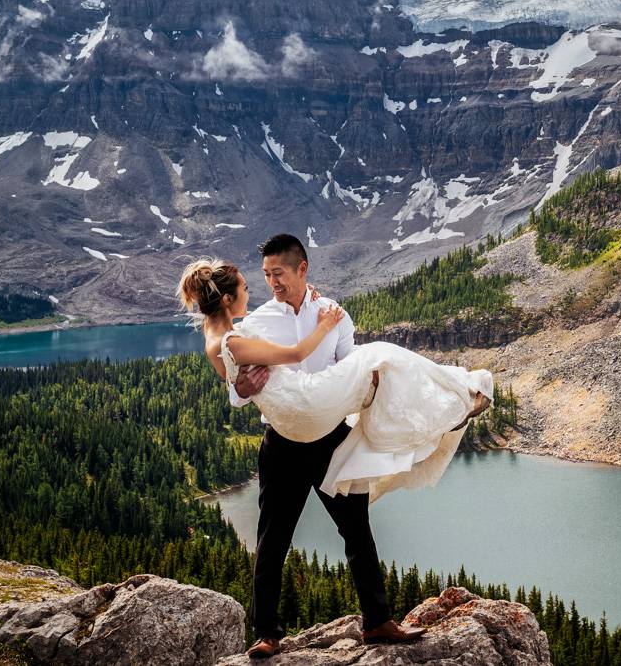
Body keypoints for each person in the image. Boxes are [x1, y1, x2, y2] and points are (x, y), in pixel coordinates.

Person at [176, 234, 491, 658]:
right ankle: (267, 632)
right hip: (283, 443)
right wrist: (240, 389)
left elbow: (348, 364)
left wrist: (366, 379)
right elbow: (233, 372)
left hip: (330, 439)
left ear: (301, 269)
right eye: (266, 275)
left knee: (357, 531)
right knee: (273, 539)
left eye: (279, 274)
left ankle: (377, 622)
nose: (272, 283)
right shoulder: (258, 320)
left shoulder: (335, 315)